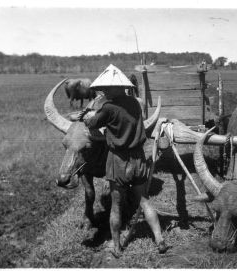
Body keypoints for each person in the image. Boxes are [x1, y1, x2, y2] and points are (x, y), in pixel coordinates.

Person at [80, 64, 168, 258]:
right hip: (138, 158)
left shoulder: (108, 107)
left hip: (118, 161)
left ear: (113, 88)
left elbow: (92, 123)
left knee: (116, 206)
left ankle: (117, 246)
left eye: (105, 89)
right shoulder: (135, 103)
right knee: (144, 201)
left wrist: (87, 116)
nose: (102, 92)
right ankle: (160, 239)